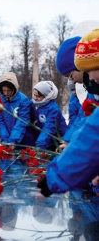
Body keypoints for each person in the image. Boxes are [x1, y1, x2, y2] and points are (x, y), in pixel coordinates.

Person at [39, 29, 99, 196]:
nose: (91, 79)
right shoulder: (91, 92)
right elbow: (85, 125)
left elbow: (93, 136)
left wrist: (57, 178)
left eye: (87, 71)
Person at [0, 72, 34, 147]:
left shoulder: (23, 100)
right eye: (4, 90)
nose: (6, 93)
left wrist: (13, 140)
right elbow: (0, 122)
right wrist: (5, 139)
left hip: (23, 142)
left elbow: (22, 122)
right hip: (7, 142)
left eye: (8, 90)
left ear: (14, 88)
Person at [31, 81, 67, 150]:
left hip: (56, 141)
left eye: (38, 96)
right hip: (44, 139)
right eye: (34, 95)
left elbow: (49, 128)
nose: (35, 98)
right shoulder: (33, 103)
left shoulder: (53, 109)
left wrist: (39, 146)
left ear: (46, 96)